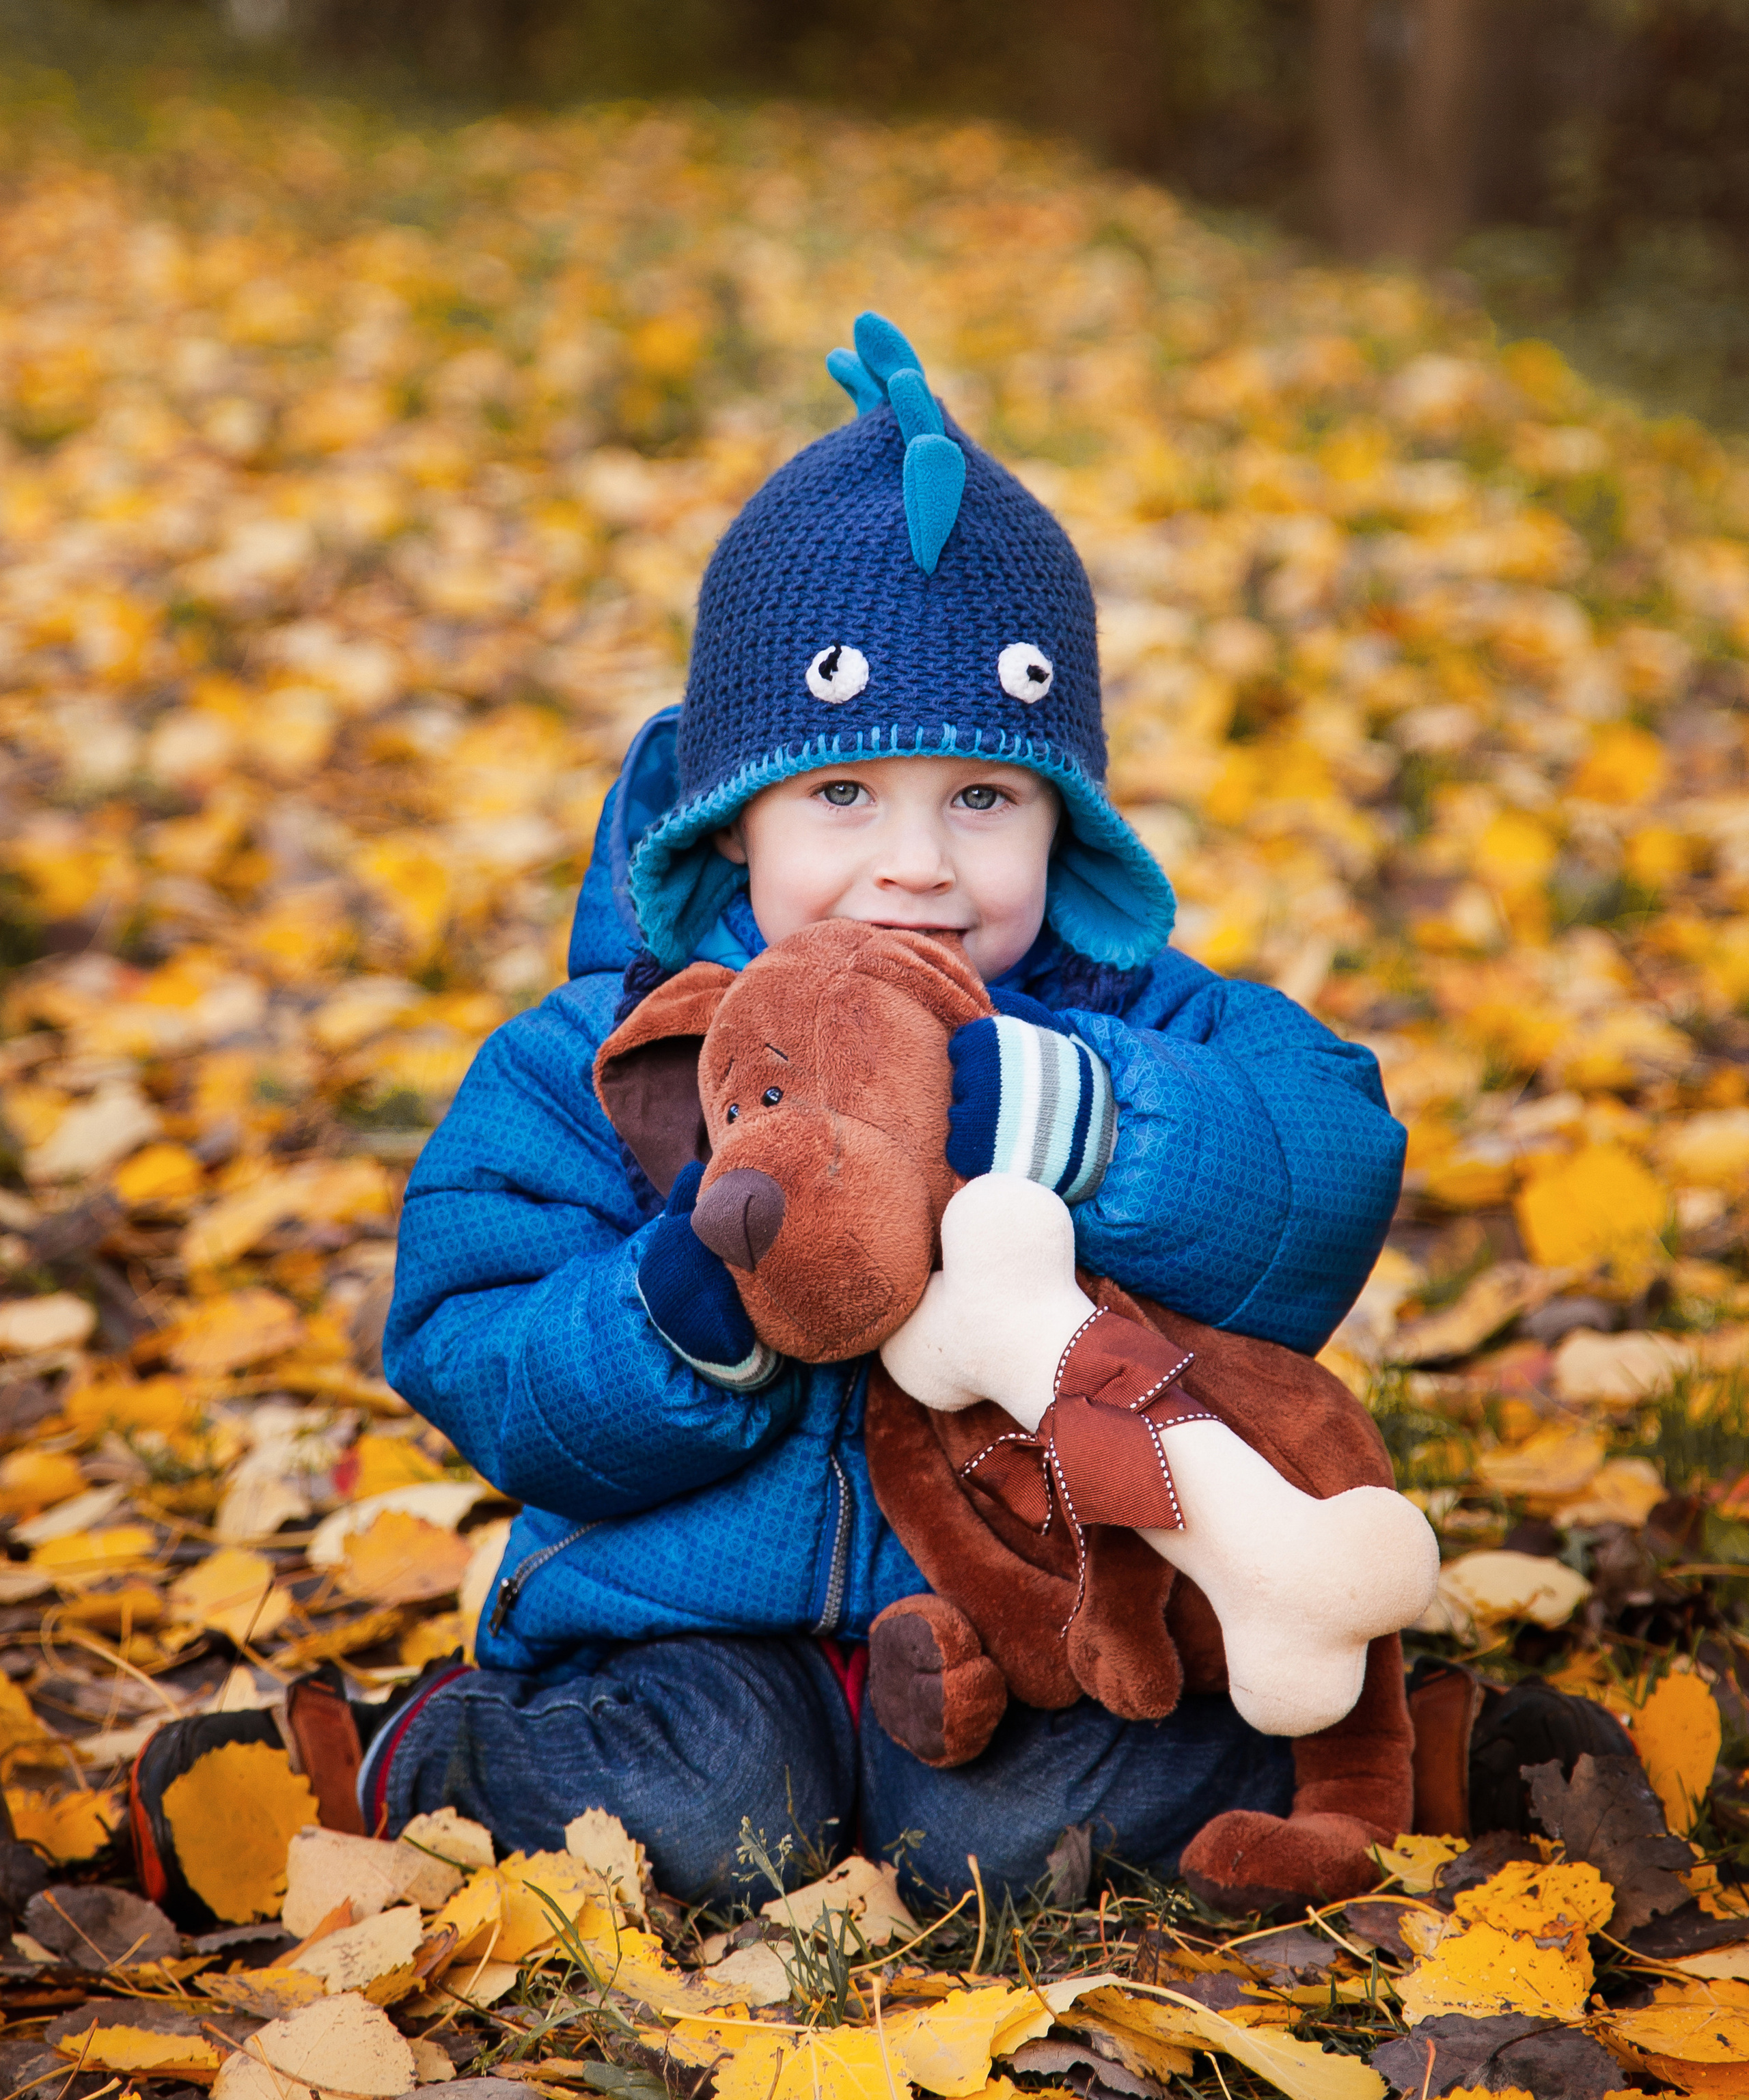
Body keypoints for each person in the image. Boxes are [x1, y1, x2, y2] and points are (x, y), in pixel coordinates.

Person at [132, 316, 1409, 1920]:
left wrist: (1067, 1116)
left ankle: (1397, 1734)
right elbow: (470, 1342)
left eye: (983, 798)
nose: (915, 865)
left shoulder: (1124, 1021)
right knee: (706, 1810)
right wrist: (683, 1314)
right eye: (841, 794)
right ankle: (399, 1759)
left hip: (1032, 1620)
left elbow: (1321, 1169)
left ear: (1063, 822)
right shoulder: (602, 1055)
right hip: (681, 1623)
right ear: (734, 819)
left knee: (1023, 1851)